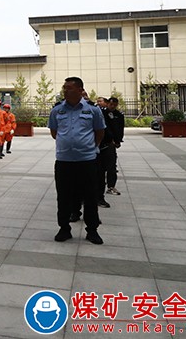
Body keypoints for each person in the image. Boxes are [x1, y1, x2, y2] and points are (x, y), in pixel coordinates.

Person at [49, 76, 106, 245]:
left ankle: (92, 230)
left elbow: (99, 132)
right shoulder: (57, 110)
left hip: (87, 161)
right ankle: (64, 228)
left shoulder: (93, 110)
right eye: (64, 88)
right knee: (63, 196)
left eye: (69, 88)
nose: (65, 90)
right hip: (64, 161)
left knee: (90, 196)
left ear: (81, 90)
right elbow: (54, 132)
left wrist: (88, 147)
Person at [98, 96, 125, 202]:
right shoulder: (102, 114)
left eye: (114, 105)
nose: (112, 106)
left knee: (112, 166)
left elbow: (120, 128)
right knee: (101, 167)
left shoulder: (119, 115)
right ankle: (100, 188)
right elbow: (104, 128)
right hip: (105, 142)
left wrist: (118, 140)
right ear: (108, 103)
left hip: (113, 144)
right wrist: (110, 139)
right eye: (111, 104)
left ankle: (111, 186)